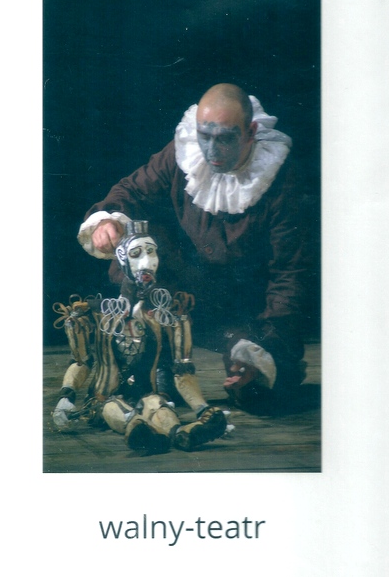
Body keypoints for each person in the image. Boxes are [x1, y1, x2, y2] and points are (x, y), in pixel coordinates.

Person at [77, 84, 308, 414]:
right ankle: (156, 361)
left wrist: (270, 344)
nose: (212, 150)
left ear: (250, 132)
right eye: (205, 136)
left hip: (249, 308)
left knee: (260, 393)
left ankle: (255, 362)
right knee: (138, 248)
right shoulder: (183, 152)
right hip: (186, 293)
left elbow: (290, 274)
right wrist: (107, 221)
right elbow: (131, 191)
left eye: (225, 138)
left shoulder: (280, 177)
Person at [52, 219, 229, 454]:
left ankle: (181, 434)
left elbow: (182, 370)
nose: (147, 261)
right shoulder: (98, 313)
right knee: (113, 406)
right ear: (122, 259)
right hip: (104, 398)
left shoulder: (168, 314)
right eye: (136, 254)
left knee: (157, 405)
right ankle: (137, 429)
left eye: (151, 252)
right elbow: (81, 361)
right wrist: (67, 395)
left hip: (147, 393)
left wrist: (202, 409)